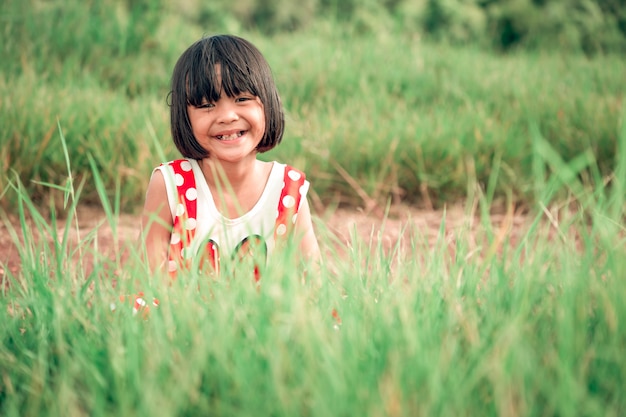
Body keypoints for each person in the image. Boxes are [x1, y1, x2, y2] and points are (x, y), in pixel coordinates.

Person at [140, 34, 320, 280]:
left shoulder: (287, 189)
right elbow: (151, 284)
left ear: (268, 103)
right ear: (184, 116)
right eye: (206, 105)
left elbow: (313, 283)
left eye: (242, 99)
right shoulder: (170, 185)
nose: (227, 116)